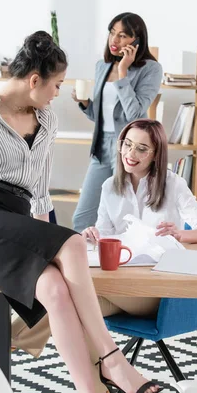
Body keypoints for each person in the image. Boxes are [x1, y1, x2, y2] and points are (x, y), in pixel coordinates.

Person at [0, 32, 162, 393]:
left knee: (58, 290)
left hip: (18, 218)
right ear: (35, 80)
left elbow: (39, 196)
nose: (60, 93)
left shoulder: (48, 120)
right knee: (76, 244)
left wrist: (49, 247)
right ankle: (114, 361)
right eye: (57, 85)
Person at [11, 118, 197, 393]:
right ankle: (98, 392)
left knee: (75, 293)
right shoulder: (111, 185)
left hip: (156, 295)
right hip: (118, 288)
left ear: (155, 154)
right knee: (72, 303)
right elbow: (107, 235)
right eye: (128, 145)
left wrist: (180, 235)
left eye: (142, 149)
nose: (131, 155)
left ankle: (9, 339)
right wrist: (92, 236)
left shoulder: (173, 184)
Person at [71, 12, 163, 233]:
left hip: (128, 149)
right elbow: (99, 117)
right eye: (112, 33)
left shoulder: (151, 69)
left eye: (122, 35)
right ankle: (85, 265)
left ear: (136, 40)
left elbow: (135, 116)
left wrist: (123, 72)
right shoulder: (102, 66)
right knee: (82, 219)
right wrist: (84, 103)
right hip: (101, 148)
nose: (114, 40)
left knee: (122, 219)